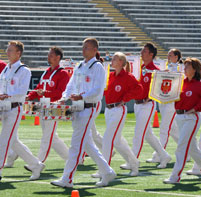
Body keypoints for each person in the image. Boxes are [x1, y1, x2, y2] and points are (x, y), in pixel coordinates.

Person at [51, 37, 116, 188]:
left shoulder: (98, 67)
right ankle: (107, 171)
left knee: (76, 143)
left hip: (89, 106)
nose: (83, 50)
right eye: (83, 47)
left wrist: (82, 96)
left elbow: (98, 90)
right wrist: (63, 98)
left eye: (87, 47)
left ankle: (67, 177)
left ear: (94, 50)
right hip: (77, 106)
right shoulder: (80, 65)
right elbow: (71, 84)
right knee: (86, 143)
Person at [5, 47, 70, 168]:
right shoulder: (47, 72)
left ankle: (37, 163)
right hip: (44, 105)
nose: (48, 57)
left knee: (47, 137)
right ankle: (72, 158)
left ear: (57, 57)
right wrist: (29, 96)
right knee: (52, 137)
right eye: (48, 55)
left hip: (54, 105)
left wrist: (45, 93)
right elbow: (38, 88)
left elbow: (61, 93)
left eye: (51, 55)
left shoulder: (63, 73)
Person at [163, 57, 201, 184]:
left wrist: (196, 109)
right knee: (192, 148)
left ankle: (175, 176)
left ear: (194, 70)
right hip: (180, 117)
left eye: (187, 66)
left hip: (190, 119)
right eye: (185, 66)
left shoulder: (199, 85)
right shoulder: (181, 82)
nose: (184, 68)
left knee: (181, 146)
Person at [121, 42, 172, 170]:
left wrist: (150, 96)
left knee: (138, 133)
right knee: (148, 134)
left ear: (151, 54)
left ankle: (132, 161)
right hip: (138, 104)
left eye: (144, 51)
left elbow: (161, 88)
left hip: (147, 104)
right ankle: (164, 155)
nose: (141, 53)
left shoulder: (155, 70)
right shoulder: (140, 68)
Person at [0, 41, 45, 181]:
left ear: (18, 53)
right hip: (3, 107)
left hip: (14, 108)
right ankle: (36, 164)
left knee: (4, 141)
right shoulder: (6, 69)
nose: (7, 52)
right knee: (13, 142)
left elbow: (22, 91)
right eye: (7, 50)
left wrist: (6, 95)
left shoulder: (24, 70)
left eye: (10, 50)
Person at [99, 52, 142, 177]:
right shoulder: (111, 75)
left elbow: (139, 89)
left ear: (121, 63)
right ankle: (134, 163)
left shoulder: (128, 76)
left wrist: (125, 99)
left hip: (118, 109)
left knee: (107, 138)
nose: (112, 61)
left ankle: (104, 169)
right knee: (117, 141)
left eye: (115, 59)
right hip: (108, 109)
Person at [146, 48, 180, 163]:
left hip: (171, 102)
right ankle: (188, 151)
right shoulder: (167, 67)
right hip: (164, 100)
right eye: (168, 55)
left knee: (164, 129)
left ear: (176, 57)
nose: (168, 57)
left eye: (171, 55)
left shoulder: (180, 69)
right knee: (173, 130)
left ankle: (159, 155)